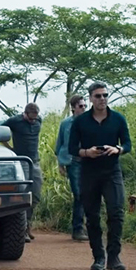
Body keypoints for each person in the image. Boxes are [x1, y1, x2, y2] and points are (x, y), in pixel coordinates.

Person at [69, 82, 132, 270]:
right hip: (89, 172)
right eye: (98, 96)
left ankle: (114, 257)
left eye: (105, 95)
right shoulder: (80, 121)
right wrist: (87, 152)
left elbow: (128, 143)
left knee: (116, 213)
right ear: (90, 98)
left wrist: (118, 149)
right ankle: (98, 257)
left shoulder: (118, 119)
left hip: (112, 171)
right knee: (93, 216)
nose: (102, 99)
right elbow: (72, 149)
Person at [2, 102, 43, 243]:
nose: (33, 121)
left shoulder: (38, 120)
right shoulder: (15, 121)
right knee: (23, 194)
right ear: (25, 114)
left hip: (35, 161)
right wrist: (10, 148)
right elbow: (0, 131)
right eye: (30, 118)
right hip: (22, 161)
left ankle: (28, 225)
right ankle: (22, 229)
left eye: (35, 118)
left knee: (36, 194)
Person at [55, 95, 88, 241]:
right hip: (72, 161)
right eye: (81, 106)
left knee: (88, 194)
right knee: (79, 194)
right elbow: (60, 143)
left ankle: (86, 226)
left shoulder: (89, 122)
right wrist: (60, 163)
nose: (83, 108)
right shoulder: (66, 123)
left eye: (85, 106)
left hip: (87, 161)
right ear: (73, 107)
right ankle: (77, 229)